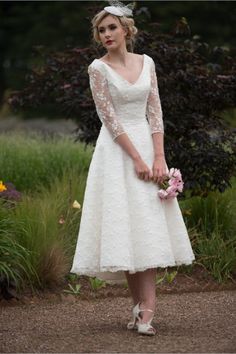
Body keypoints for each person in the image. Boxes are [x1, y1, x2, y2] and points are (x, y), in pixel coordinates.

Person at [70, 0, 195, 336]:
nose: (106, 33)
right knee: (126, 227)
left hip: (147, 144)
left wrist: (158, 158)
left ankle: (146, 311)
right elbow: (108, 120)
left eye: (112, 27)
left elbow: (155, 112)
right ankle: (140, 307)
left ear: (126, 30)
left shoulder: (147, 63)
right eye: (101, 29)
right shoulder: (97, 69)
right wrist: (137, 160)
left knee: (148, 224)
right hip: (116, 152)